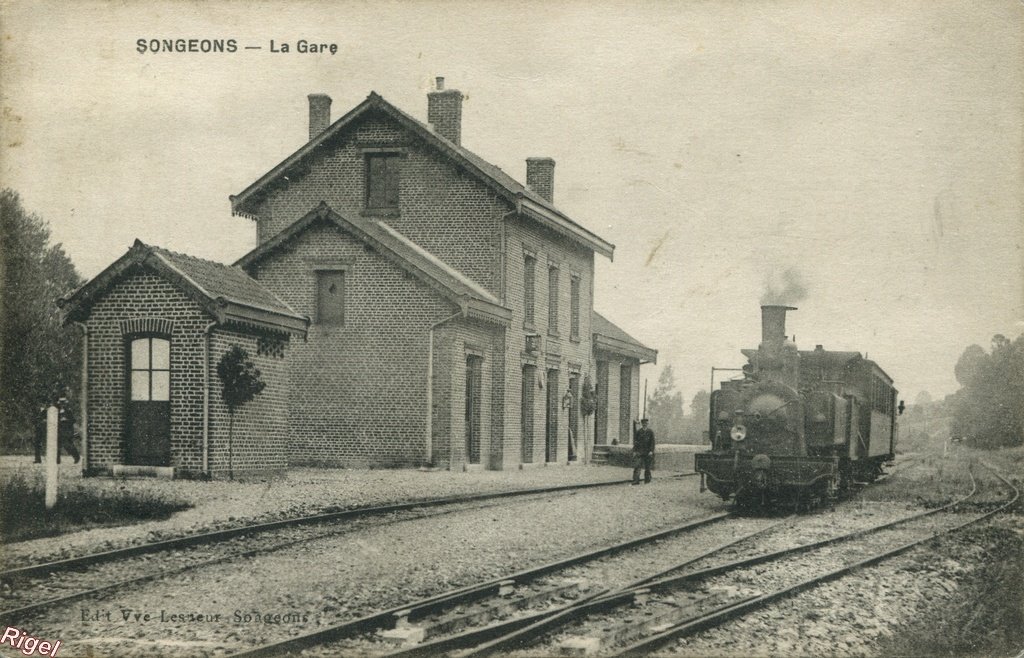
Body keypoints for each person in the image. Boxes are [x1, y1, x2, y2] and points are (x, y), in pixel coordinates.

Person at [632, 418, 655, 485]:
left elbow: (652, 442)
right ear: (642, 424)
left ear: (647, 424)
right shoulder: (639, 432)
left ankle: (647, 480)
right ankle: (636, 480)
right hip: (640, 452)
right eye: (643, 423)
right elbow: (636, 442)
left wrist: (651, 451)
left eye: (646, 423)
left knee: (647, 467)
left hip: (648, 452)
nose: (645, 425)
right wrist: (635, 451)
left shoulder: (650, 432)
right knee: (637, 466)